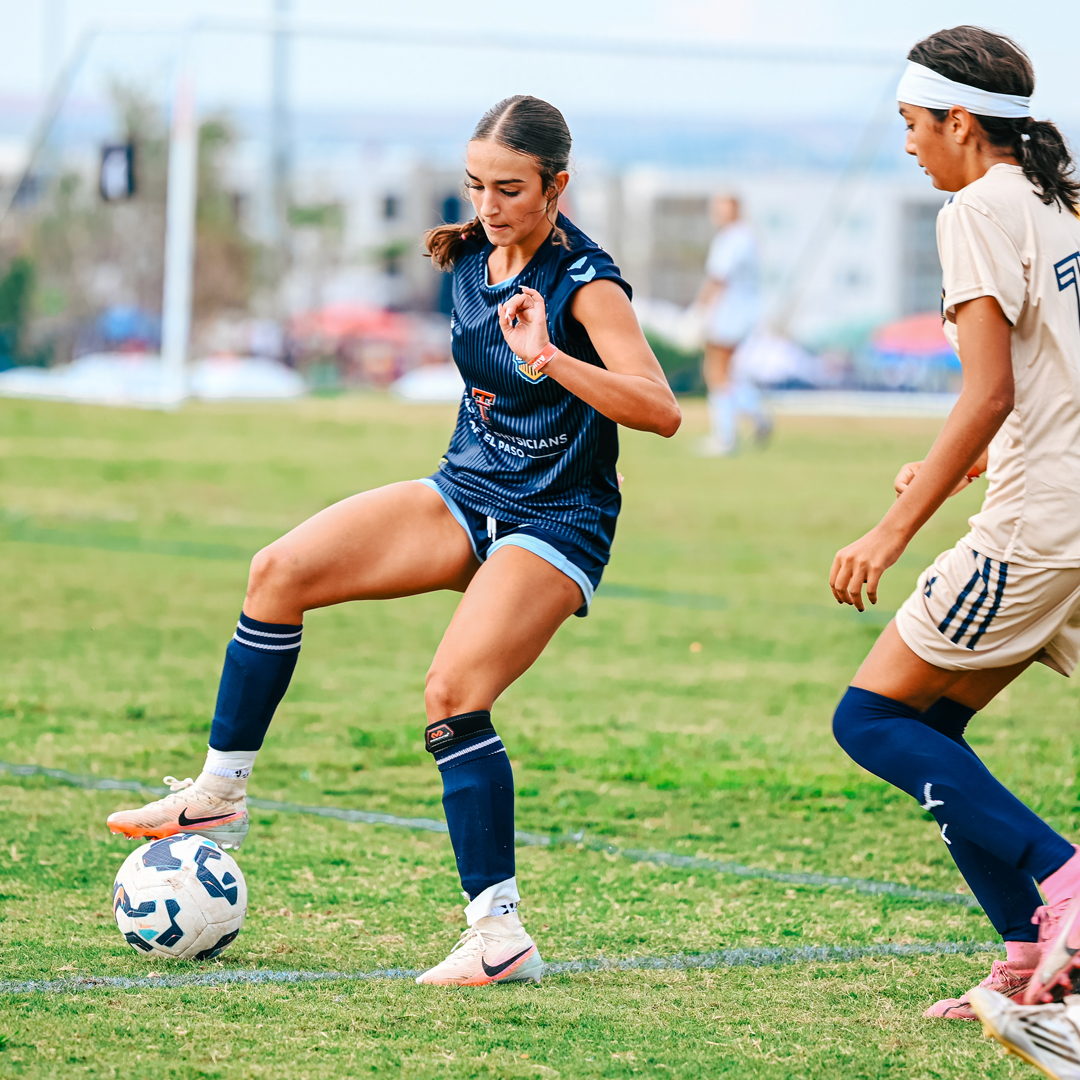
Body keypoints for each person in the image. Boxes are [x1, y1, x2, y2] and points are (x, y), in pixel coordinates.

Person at [105, 95, 681, 986]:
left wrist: (554, 359)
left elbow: (662, 409)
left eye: (511, 189)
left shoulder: (587, 283)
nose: (490, 206)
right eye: (477, 186)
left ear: (557, 187)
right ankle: (219, 793)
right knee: (278, 571)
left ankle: (499, 937)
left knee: (452, 692)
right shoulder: (467, 261)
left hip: (556, 521)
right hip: (467, 492)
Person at [828, 25, 1080, 1022]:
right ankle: (1025, 954)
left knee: (872, 719)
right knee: (934, 723)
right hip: (1065, 504)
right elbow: (1043, 376)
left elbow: (986, 391)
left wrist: (891, 531)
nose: (908, 145)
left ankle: (1064, 885)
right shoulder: (1062, 198)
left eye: (912, 124)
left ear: (961, 121)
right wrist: (973, 459)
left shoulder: (974, 208)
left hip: (1034, 524)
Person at [693, 194, 768, 455]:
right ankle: (756, 413)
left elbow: (718, 278)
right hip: (745, 311)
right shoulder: (748, 236)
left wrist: (699, 310)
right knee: (726, 372)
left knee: (717, 372)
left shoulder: (732, 239)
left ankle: (726, 436)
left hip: (729, 312)